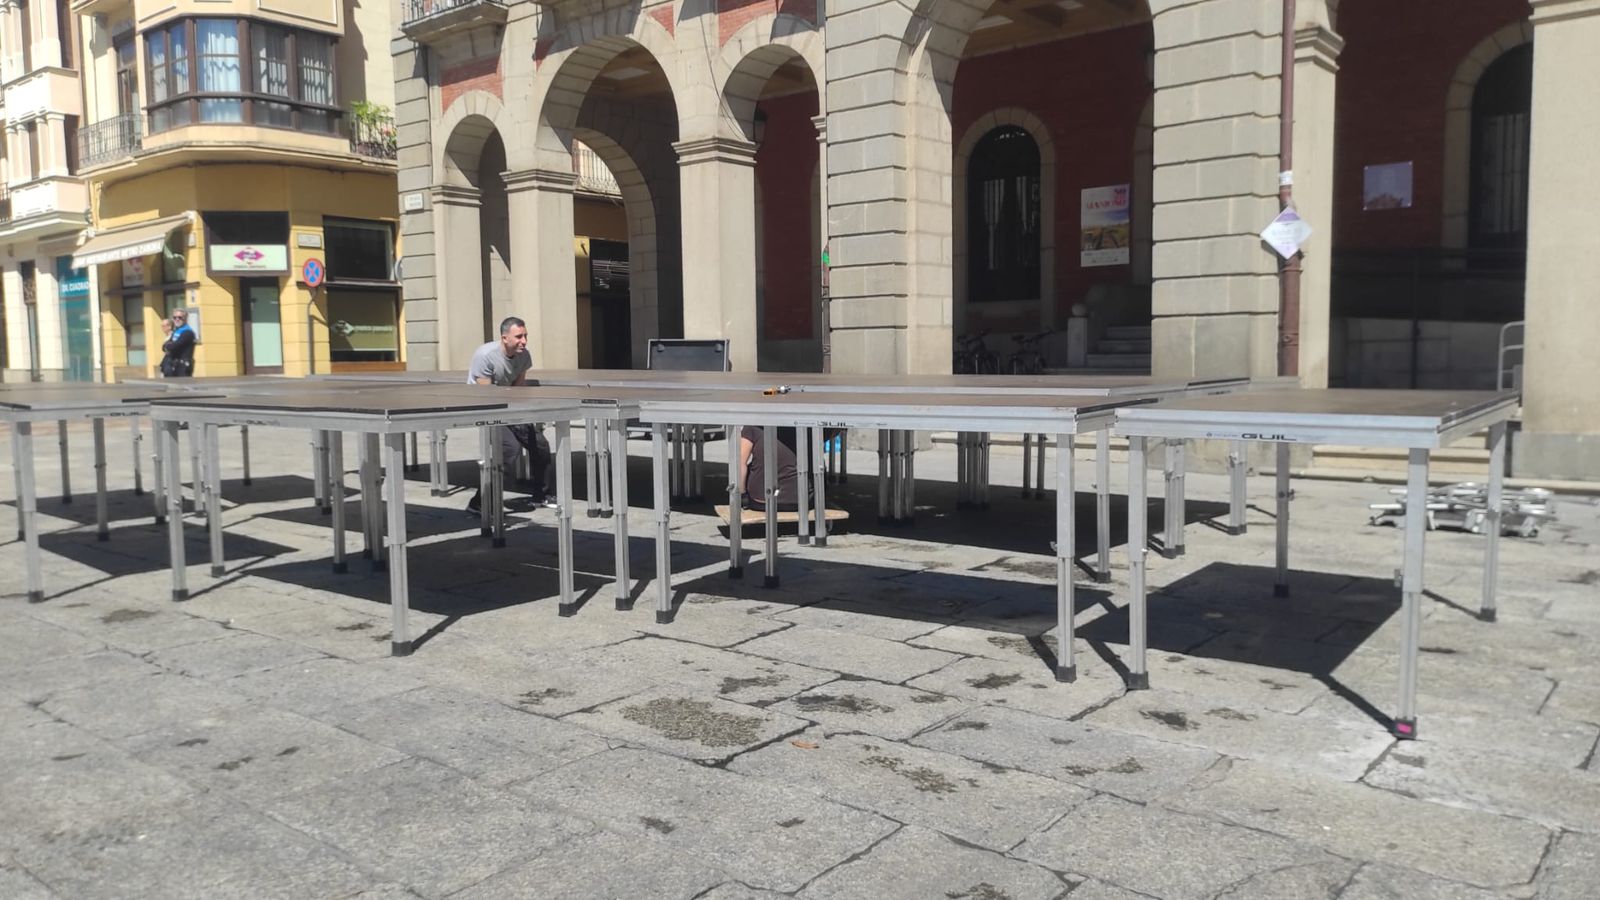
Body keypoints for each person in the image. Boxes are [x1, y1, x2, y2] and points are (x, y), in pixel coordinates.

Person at [465, 316, 555, 513]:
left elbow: (518, 387)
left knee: (540, 445)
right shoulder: (486, 355)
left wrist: (522, 416)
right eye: (519, 336)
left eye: (525, 336)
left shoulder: (524, 356)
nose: (524, 341)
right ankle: (479, 502)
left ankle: (543, 495)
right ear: (504, 338)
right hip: (485, 407)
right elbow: (486, 396)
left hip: (510, 405)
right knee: (508, 449)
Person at [159, 309, 196, 377]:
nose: (177, 319)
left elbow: (174, 346)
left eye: (180, 317)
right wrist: (168, 345)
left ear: (185, 318)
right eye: (175, 317)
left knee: (182, 386)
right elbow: (164, 346)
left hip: (183, 366)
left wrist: (169, 346)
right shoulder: (177, 331)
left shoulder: (187, 332)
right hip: (173, 365)